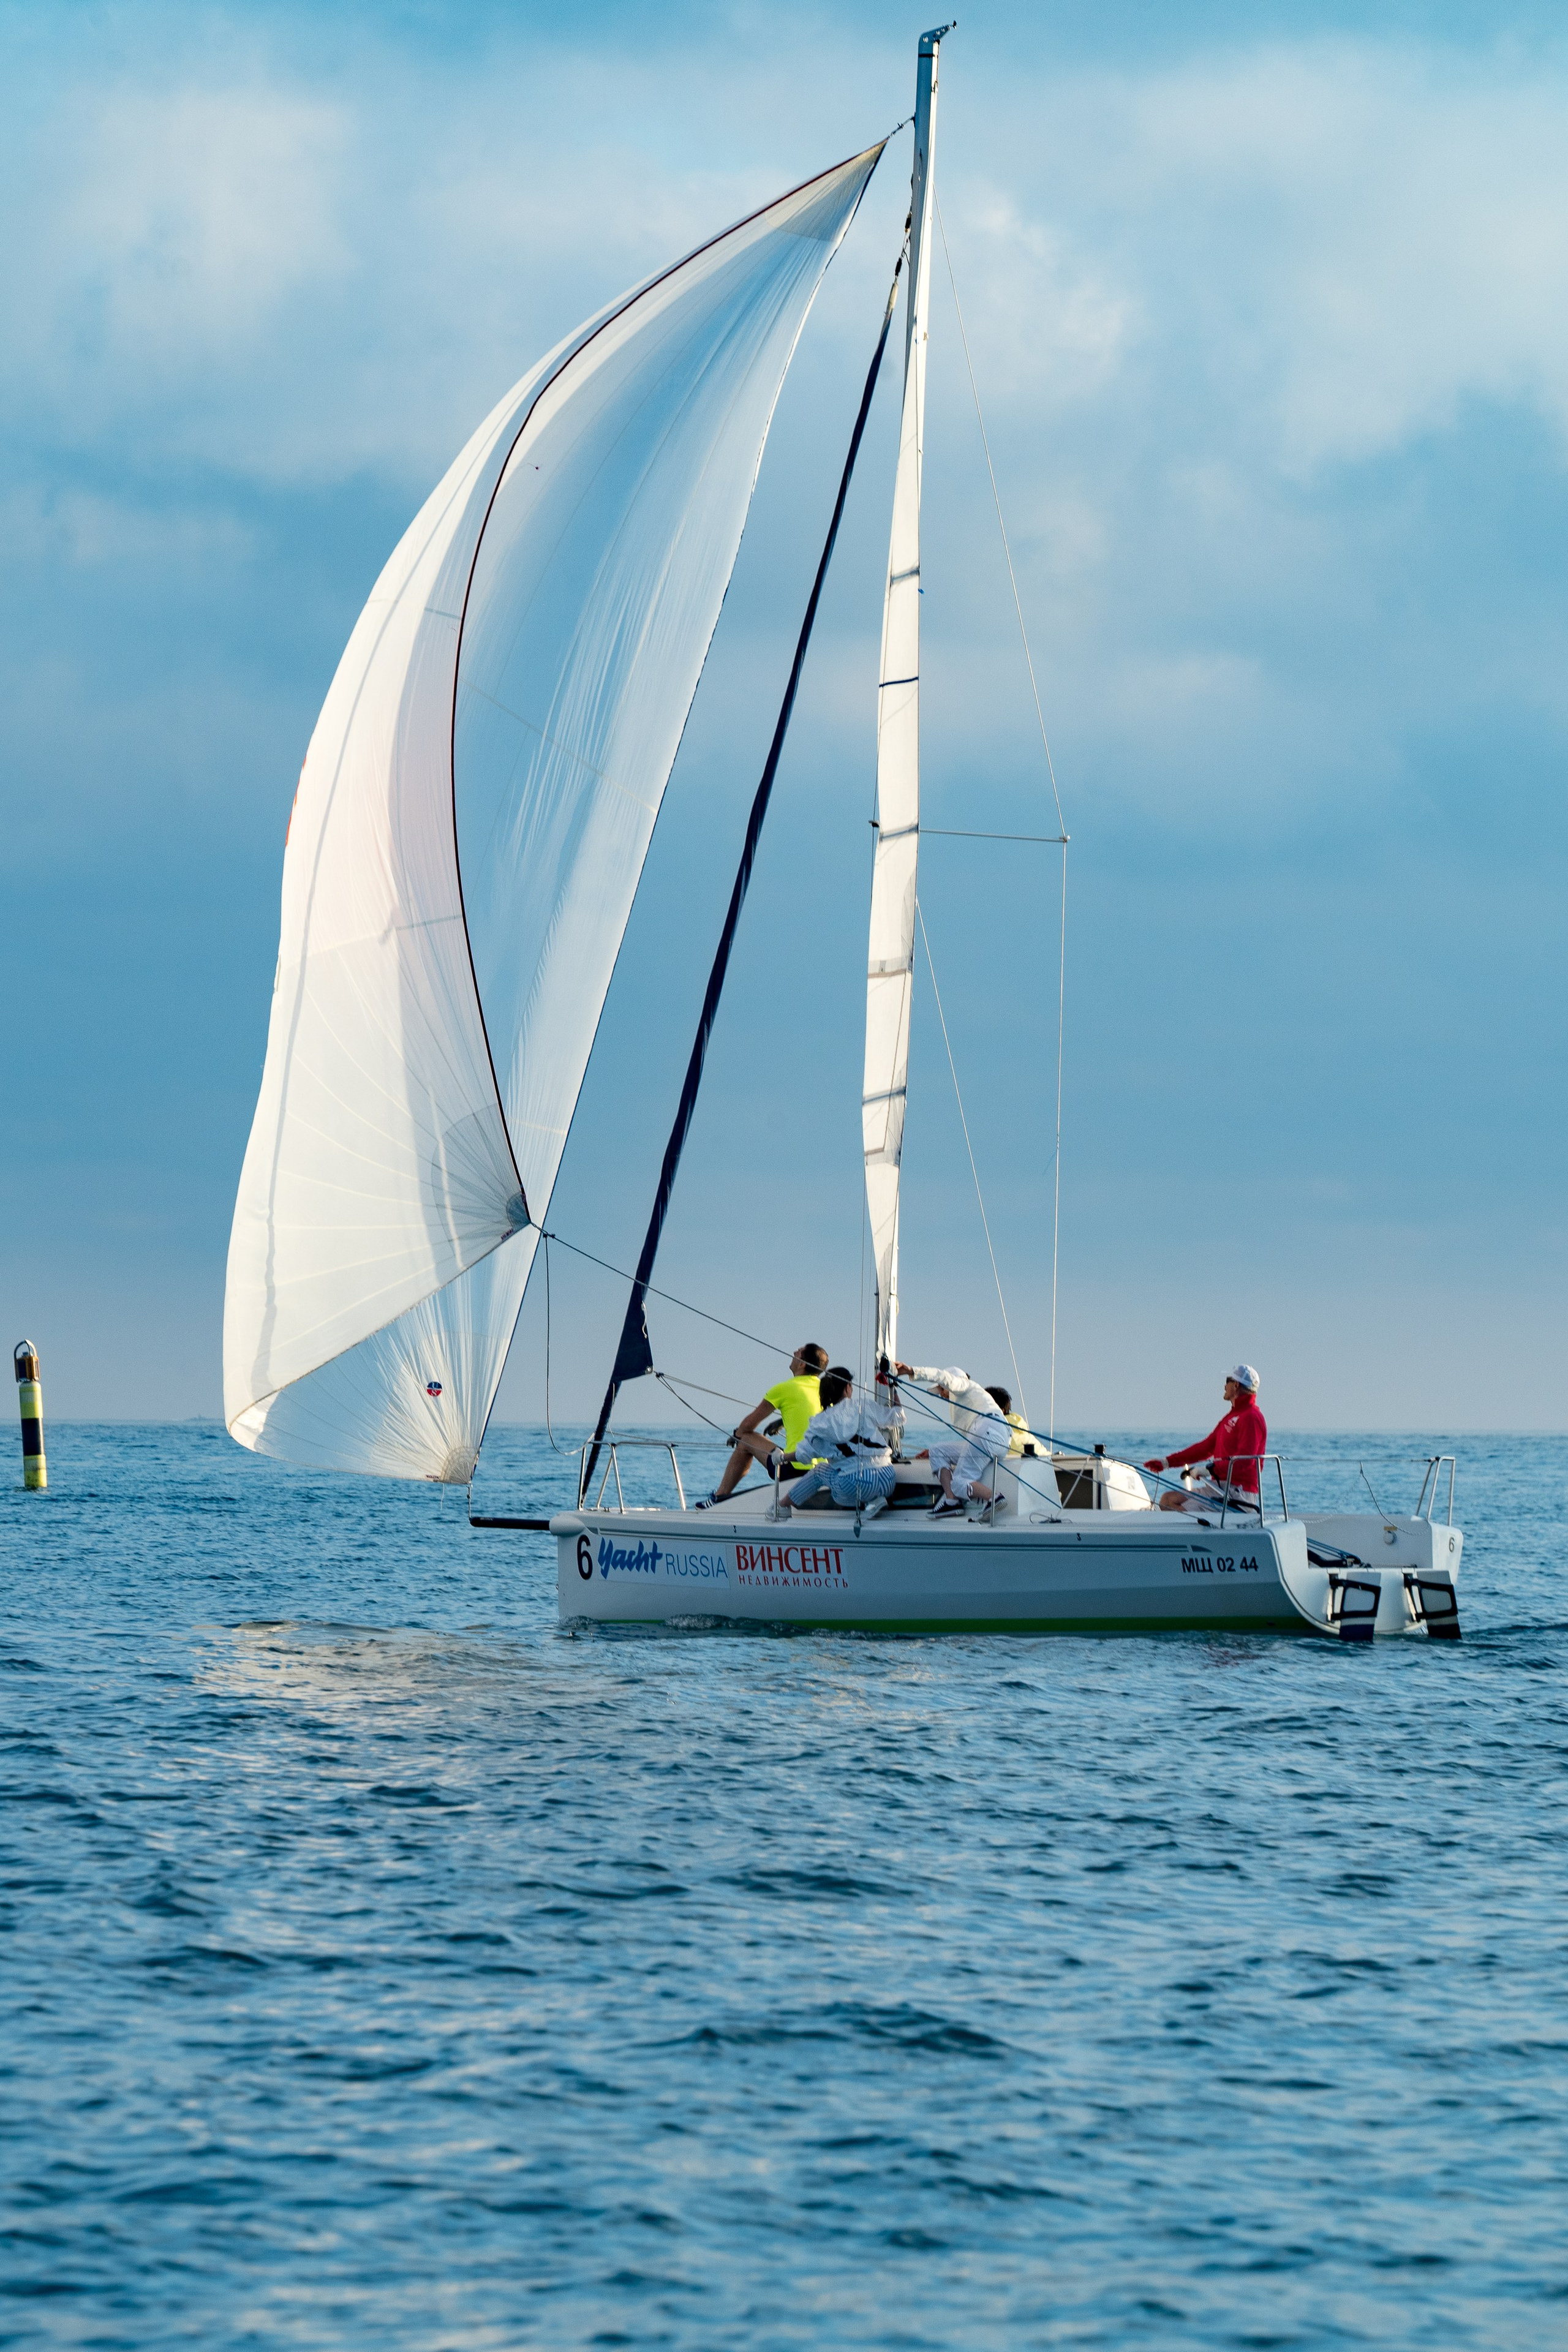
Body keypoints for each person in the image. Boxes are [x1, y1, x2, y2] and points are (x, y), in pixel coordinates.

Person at [696, 1344, 828, 1508]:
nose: (794, 1352)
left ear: (802, 1364)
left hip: (795, 1472)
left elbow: (749, 1424)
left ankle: (718, 1498)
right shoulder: (826, 1390)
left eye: (799, 1352)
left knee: (745, 1439)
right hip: (824, 1471)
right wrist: (782, 1421)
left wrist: (737, 1434)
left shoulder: (785, 1388)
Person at [777, 1368, 904, 1520]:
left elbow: (804, 1455)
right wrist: (894, 1390)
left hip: (855, 1485)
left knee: (820, 1470)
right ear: (848, 1387)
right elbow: (898, 1417)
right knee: (850, 1474)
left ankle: (782, 1507)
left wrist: (782, 1457)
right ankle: (874, 1501)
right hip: (888, 1479)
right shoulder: (864, 1406)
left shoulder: (820, 1423)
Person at [893, 1362, 1013, 1518]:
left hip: (987, 1431)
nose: (942, 1394)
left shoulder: (963, 1385)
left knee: (960, 1481)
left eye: (942, 1388)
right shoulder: (970, 1398)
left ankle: (994, 1497)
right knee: (938, 1451)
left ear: (950, 1383)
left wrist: (913, 1371)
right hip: (995, 1437)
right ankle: (952, 1502)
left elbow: (942, 1376)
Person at [1145, 1365, 1267, 1515]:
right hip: (1218, 1488)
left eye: (1227, 1381)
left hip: (1236, 1493)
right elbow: (1206, 1448)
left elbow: (1245, 1461)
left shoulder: (1251, 1417)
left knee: (1168, 1503)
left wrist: (1209, 1470)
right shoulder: (1233, 1416)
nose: (1224, 1386)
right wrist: (1167, 1462)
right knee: (1168, 1500)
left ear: (1236, 1385)